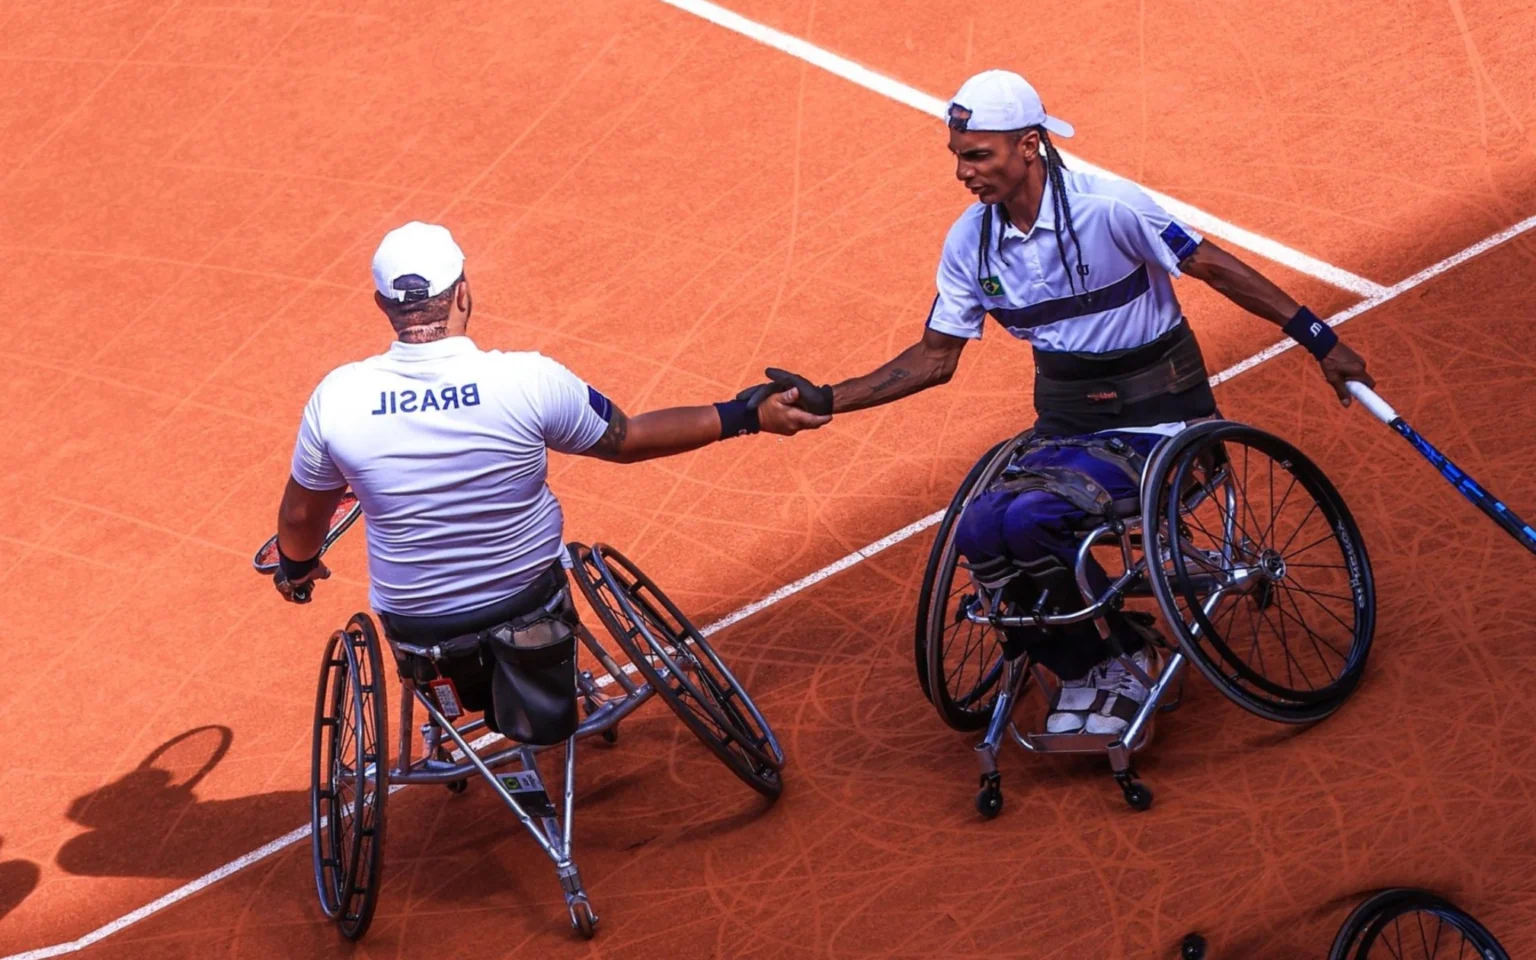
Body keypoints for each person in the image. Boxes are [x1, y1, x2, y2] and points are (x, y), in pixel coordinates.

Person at [746, 70, 1374, 737]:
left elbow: (1215, 268)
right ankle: (1094, 661)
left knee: (1032, 521)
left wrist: (1319, 338)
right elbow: (935, 358)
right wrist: (827, 398)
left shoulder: (1112, 207)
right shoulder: (970, 243)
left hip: (1162, 424)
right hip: (1067, 430)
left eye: (977, 154)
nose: (963, 171)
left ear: (1029, 145)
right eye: (957, 154)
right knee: (983, 525)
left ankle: (1118, 656)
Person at [269, 222, 827, 737]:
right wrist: (746, 415)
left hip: (421, 633)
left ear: (382, 306)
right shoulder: (527, 380)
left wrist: (296, 569)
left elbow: (300, 518)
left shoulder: (336, 400)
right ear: (463, 292)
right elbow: (629, 439)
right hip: (534, 608)